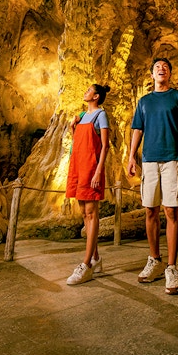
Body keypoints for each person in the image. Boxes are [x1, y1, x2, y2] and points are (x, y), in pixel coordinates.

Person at [127, 58, 178, 295]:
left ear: (169, 73)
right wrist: (132, 156)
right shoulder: (144, 101)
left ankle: (171, 267)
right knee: (150, 209)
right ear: (151, 74)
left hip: (172, 159)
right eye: (157, 67)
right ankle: (155, 260)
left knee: (171, 210)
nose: (161, 69)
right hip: (149, 160)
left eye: (165, 67)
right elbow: (137, 130)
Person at [65, 83, 110, 285]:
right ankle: (96, 258)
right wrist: (72, 127)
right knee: (84, 213)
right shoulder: (82, 116)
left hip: (91, 168)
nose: (85, 92)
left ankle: (87, 265)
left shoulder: (101, 115)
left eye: (88, 91)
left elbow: (105, 146)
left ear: (96, 96)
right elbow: (77, 142)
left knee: (92, 213)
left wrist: (99, 171)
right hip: (77, 167)